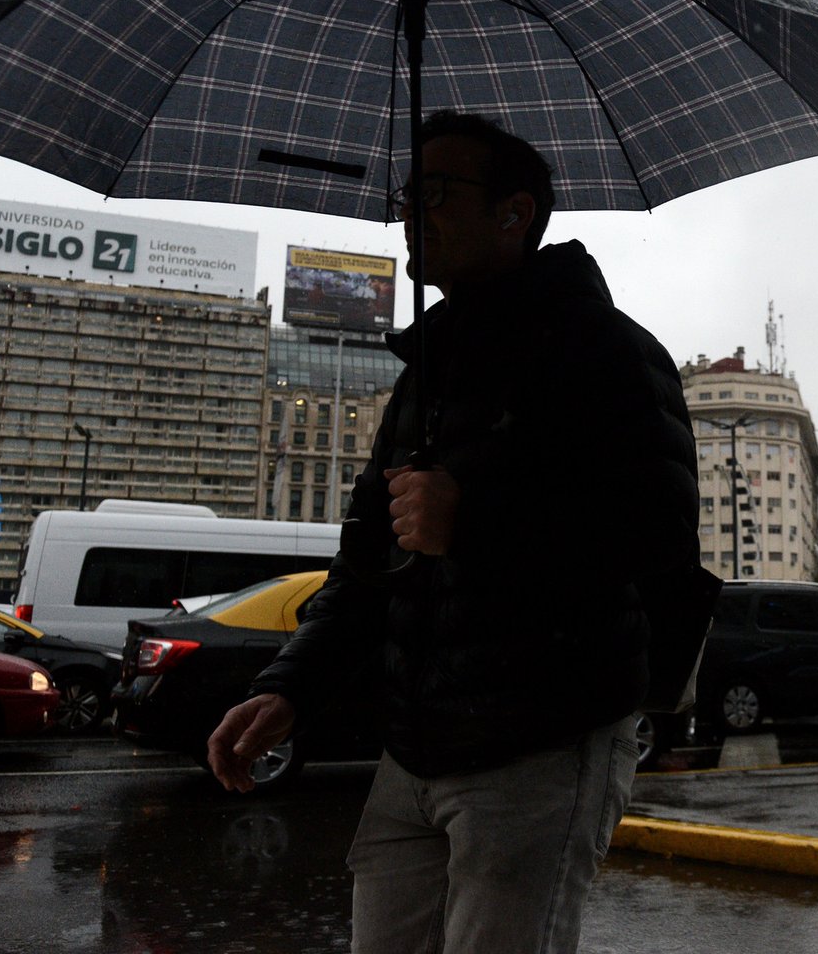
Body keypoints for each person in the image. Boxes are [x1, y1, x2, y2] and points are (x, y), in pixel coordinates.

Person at [207, 110, 698, 953]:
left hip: (540, 743)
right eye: (407, 195)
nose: (411, 215)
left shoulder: (605, 351)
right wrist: (291, 684)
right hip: (413, 749)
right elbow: (367, 565)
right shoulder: (425, 373)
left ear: (515, 213)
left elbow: (654, 534)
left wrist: (473, 521)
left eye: (436, 192)